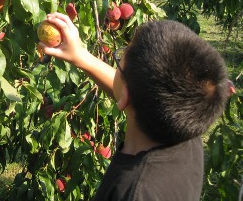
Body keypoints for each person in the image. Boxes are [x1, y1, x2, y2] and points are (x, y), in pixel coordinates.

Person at [39, 12, 230, 201]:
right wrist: (81, 57)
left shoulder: (133, 193)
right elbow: (129, 91)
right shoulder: (186, 133)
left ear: (126, 97)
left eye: (119, 58)